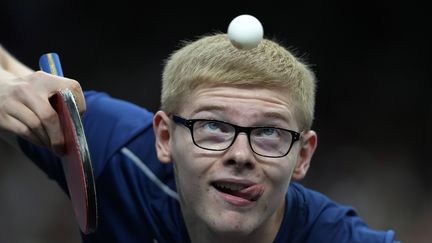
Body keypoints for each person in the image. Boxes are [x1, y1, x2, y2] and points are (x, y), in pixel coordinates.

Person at [0, 33, 399, 243]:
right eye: (214, 126)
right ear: (163, 137)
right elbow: (11, 72)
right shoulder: (117, 155)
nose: (241, 155)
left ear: (304, 155)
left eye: (269, 132)